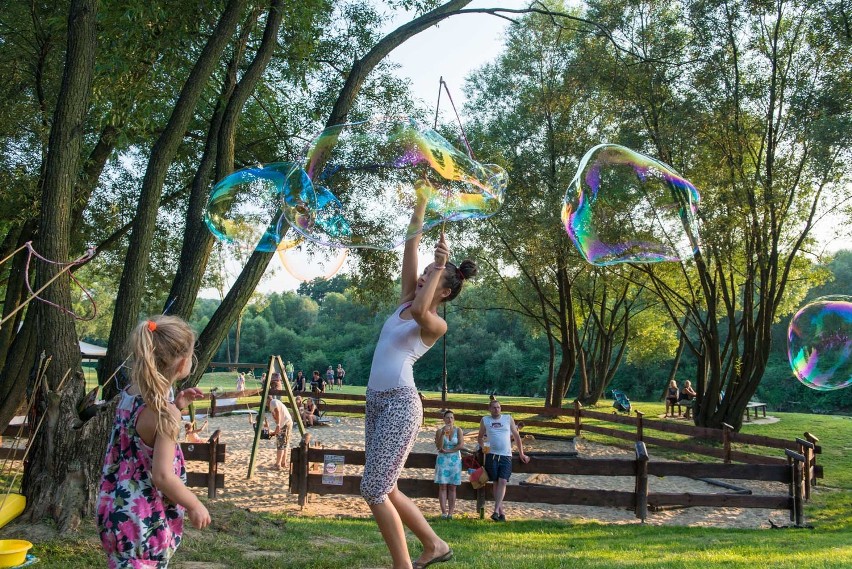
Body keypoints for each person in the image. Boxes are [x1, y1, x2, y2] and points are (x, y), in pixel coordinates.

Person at [360, 191, 476, 569]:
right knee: (386, 485)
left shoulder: (435, 322)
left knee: (373, 488)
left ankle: (403, 566)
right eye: (425, 272)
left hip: (400, 403)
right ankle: (434, 544)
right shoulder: (404, 302)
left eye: (431, 276)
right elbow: (411, 242)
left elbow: (423, 307)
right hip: (376, 401)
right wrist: (422, 201)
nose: (423, 275)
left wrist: (441, 266)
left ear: (444, 291)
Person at [97, 316, 211, 568]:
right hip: (144, 520)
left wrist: (176, 406)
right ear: (182, 362)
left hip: (117, 511)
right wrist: (194, 504)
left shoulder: (129, 394)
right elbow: (162, 476)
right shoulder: (163, 413)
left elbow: (139, 437)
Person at [477, 399, 530, 522]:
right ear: (489, 409)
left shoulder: (508, 418)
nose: (497, 409)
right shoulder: (485, 420)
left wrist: (521, 453)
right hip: (492, 455)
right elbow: (480, 437)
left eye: (499, 407)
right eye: (494, 407)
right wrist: (483, 446)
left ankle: (495, 511)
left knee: (503, 481)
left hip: (506, 455)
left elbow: (516, 436)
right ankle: (501, 513)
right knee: (496, 482)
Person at [434, 410, 463, 520]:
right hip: (443, 460)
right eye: (447, 417)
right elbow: (439, 447)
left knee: (452, 486)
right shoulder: (439, 431)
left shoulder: (458, 430)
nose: (449, 420)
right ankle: (443, 512)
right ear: (444, 419)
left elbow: (461, 444)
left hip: (455, 460)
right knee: (442, 486)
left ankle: (451, 513)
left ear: (454, 419)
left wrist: (450, 451)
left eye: (451, 417)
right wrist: (442, 434)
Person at [268, 394, 293, 471]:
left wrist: (278, 425)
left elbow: (277, 412)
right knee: (285, 444)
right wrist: (275, 431)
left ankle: (278, 464)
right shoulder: (276, 402)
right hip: (288, 423)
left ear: (267, 399)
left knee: (281, 444)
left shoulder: (272, 402)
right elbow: (276, 416)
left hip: (284, 424)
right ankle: (283, 462)